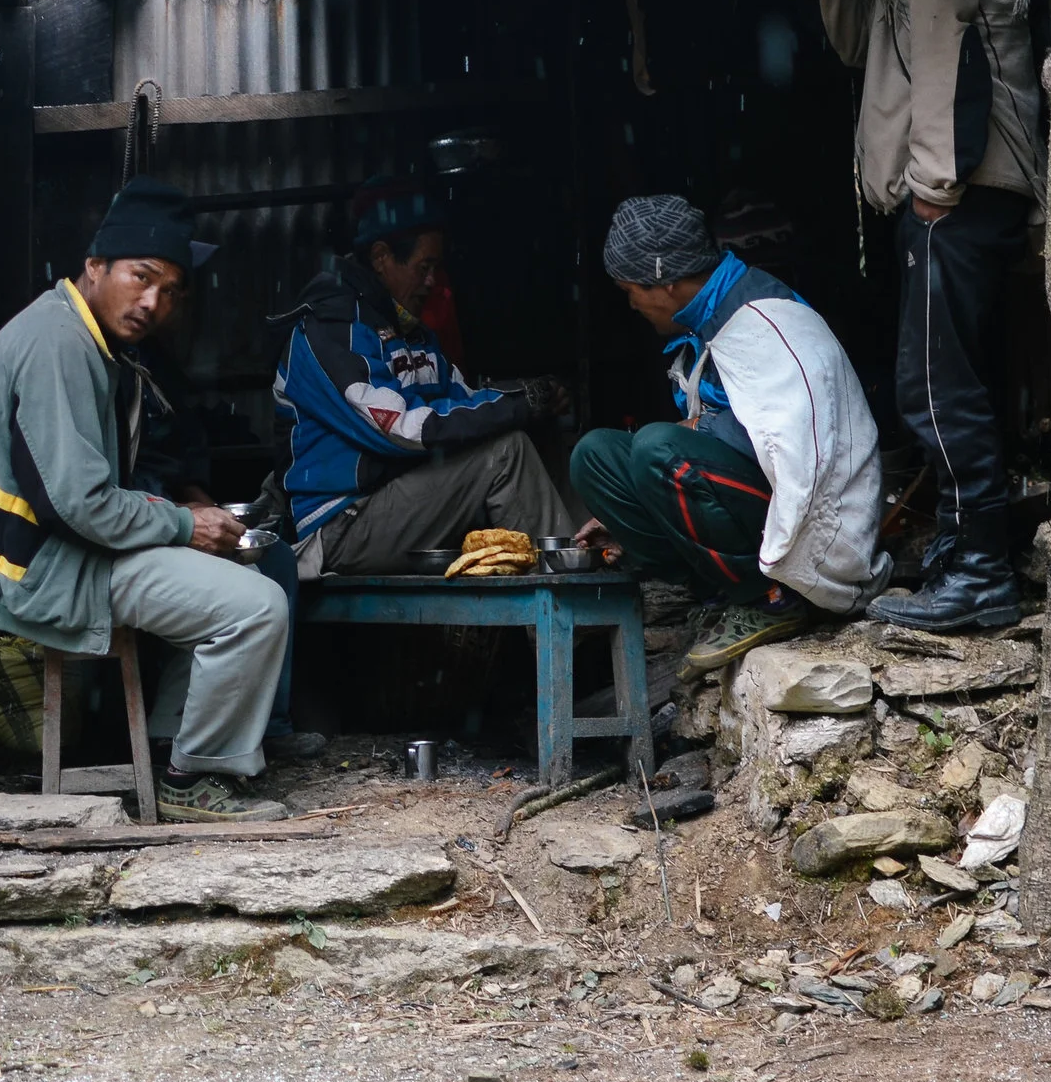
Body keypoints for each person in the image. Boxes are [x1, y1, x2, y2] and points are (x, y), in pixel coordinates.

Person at [0, 177, 292, 821]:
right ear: (94, 268)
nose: (153, 302)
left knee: (240, 569)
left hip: (51, 552)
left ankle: (170, 748)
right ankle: (195, 778)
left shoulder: (85, 336)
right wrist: (183, 523)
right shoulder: (59, 344)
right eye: (141, 277)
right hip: (35, 566)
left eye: (171, 292)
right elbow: (80, 504)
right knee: (257, 606)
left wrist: (184, 522)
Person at [785, 0, 1042, 632]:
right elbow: (861, 47)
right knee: (944, 381)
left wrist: (936, 182)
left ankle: (982, 572)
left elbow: (945, 46)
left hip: (962, 185)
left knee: (937, 386)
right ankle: (964, 553)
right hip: (948, 186)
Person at [570, 195, 894, 679]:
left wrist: (691, 436)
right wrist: (632, 499)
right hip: (752, 501)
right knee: (595, 456)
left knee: (658, 450)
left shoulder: (764, 318)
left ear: (667, 281)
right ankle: (720, 592)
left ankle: (771, 599)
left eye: (630, 289)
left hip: (817, 530)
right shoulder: (706, 319)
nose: (632, 304)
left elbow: (799, 453)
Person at [273, 178, 575, 576]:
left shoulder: (410, 331)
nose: (433, 281)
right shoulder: (329, 330)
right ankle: (576, 608)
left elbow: (467, 400)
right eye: (425, 267)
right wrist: (518, 404)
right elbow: (403, 427)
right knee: (506, 453)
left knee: (537, 430)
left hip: (398, 500)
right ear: (381, 257)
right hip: (339, 525)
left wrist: (529, 402)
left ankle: (584, 563)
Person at [124, 331, 324, 764]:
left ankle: (268, 724)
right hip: (132, 529)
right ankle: (181, 742)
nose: (158, 305)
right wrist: (182, 517)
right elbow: (107, 496)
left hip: (166, 510)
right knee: (244, 589)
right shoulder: (101, 361)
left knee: (276, 558)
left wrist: (208, 509)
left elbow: (176, 459)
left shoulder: (158, 368)